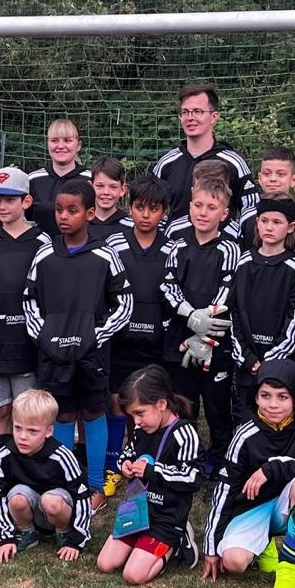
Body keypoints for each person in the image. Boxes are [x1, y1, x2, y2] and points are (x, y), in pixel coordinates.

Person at [24, 179, 134, 511]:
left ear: (89, 213)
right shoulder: (44, 254)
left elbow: (124, 302)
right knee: (63, 413)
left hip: (92, 355)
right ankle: (63, 482)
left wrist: (95, 336)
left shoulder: (105, 255)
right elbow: (29, 300)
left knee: (93, 412)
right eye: (59, 209)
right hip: (53, 355)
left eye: (72, 210)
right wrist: (44, 336)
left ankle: (95, 485)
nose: (63, 216)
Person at [202, 359, 295, 588]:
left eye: (283, 397)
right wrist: (210, 547)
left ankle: (290, 566)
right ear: (256, 397)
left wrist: (272, 468)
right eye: (265, 395)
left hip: (286, 502)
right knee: (234, 562)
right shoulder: (245, 434)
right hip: (251, 507)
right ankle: (263, 543)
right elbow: (224, 491)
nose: (273, 404)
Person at [161, 170, 240, 478]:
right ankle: (187, 459)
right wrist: (190, 315)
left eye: (211, 207)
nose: (203, 212)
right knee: (184, 404)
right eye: (198, 205)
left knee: (218, 408)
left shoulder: (230, 248)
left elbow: (228, 287)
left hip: (215, 341)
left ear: (224, 213)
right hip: (181, 339)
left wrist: (205, 320)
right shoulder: (178, 245)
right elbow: (168, 285)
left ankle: (219, 464)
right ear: (190, 206)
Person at [103, 176, 176, 499]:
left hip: (156, 342)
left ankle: (148, 462)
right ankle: (113, 464)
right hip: (121, 340)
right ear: (129, 207)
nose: (146, 215)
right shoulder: (114, 244)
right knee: (117, 402)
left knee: (147, 404)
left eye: (154, 209)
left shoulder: (172, 248)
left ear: (164, 212)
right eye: (139, 207)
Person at [95, 365, 202, 584]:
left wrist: (152, 471)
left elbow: (193, 477)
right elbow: (128, 453)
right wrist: (124, 464)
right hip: (137, 512)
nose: (136, 421)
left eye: (140, 413)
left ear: (161, 404)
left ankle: (178, 541)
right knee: (105, 564)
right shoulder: (141, 430)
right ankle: (141, 544)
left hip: (166, 518)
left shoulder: (185, 433)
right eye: (132, 415)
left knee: (133, 575)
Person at [228, 192, 295, 448]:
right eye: (264, 221)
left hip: (280, 364)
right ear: (257, 223)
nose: (269, 227)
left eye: (276, 222)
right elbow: (233, 313)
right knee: (246, 418)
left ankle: (282, 465)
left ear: (290, 227)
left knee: (280, 420)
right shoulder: (243, 262)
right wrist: (247, 357)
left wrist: (272, 361)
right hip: (248, 363)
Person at [0, 167, 49, 437]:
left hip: (27, 345)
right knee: (1, 409)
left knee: (26, 410)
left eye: (9, 199)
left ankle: (26, 458)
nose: (2, 206)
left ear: (26, 201)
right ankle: (1, 457)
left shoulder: (42, 242)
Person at [0, 389, 94, 563]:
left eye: (32, 431)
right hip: (28, 507)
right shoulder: (5, 454)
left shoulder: (62, 456)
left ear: (48, 431)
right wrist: (4, 537)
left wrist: (76, 540)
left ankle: (63, 533)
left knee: (51, 501)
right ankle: (26, 532)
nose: (23, 436)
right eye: (17, 428)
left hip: (57, 508)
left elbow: (82, 496)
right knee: (16, 498)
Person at [153, 84, 258, 220]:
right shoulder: (166, 163)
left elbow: (252, 210)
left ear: (214, 117)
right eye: (185, 112)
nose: (190, 117)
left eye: (197, 111)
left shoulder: (234, 163)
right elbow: (151, 207)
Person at [236, 148, 295, 256]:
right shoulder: (247, 217)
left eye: (281, 174)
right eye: (267, 173)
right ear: (260, 178)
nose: (273, 179)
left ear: (293, 180)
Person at [27, 118, 90, 240]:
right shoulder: (33, 180)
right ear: (47, 144)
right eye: (54, 140)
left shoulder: (91, 180)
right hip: (41, 249)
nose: (60, 146)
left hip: (82, 250)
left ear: (78, 145)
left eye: (67, 140)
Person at [163, 160, 240, 242]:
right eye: (201, 187)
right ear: (192, 190)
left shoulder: (237, 234)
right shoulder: (175, 229)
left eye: (215, 187)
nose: (203, 212)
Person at [88, 156, 134, 242]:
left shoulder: (131, 227)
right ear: (90, 187)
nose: (106, 192)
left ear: (122, 190)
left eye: (113, 187)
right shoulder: (79, 224)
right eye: (100, 186)